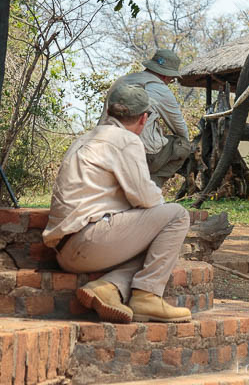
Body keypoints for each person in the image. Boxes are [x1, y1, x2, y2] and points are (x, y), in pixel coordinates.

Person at [44, 84, 192, 324]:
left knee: (153, 244)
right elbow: (147, 198)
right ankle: (147, 296)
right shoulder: (126, 140)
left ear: (110, 112)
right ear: (144, 118)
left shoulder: (86, 137)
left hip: (65, 251)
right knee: (176, 216)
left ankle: (108, 287)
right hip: (90, 241)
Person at [102, 49, 192, 188]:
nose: (170, 81)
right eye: (171, 79)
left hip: (106, 147)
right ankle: (151, 186)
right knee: (183, 145)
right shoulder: (159, 89)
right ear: (165, 76)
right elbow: (180, 128)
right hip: (139, 153)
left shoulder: (122, 81)